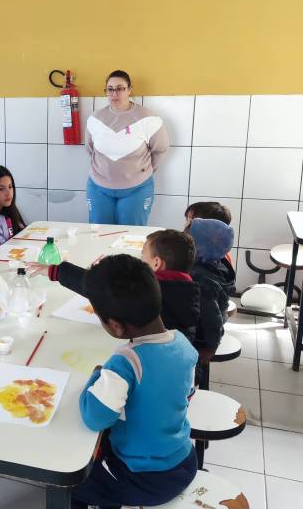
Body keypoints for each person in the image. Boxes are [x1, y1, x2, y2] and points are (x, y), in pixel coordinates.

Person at [42, 255, 197, 509]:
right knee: (110, 451)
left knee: (65, 490)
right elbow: (184, 395)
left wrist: (96, 378)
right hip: (183, 460)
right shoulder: (183, 345)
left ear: (114, 326)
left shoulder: (125, 362)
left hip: (145, 478)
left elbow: (94, 417)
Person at [29, 229, 200, 342]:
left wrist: (57, 271)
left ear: (156, 263)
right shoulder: (191, 290)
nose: (140, 260)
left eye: (143, 256)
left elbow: (101, 286)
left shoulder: (148, 288)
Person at [85, 70, 169, 226]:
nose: (114, 93)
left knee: (131, 234)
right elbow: (90, 149)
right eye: (110, 89)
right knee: (98, 233)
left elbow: (160, 150)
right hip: (98, 187)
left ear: (130, 90)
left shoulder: (149, 119)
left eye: (120, 88)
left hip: (137, 189)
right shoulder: (95, 119)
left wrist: (140, 171)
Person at [187, 217, 236, 371]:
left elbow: (211, 317)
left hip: (202, 335)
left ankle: (196, 375)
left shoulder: (201, 279)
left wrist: (211, 347)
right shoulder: (218, 262)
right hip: (216, 319)